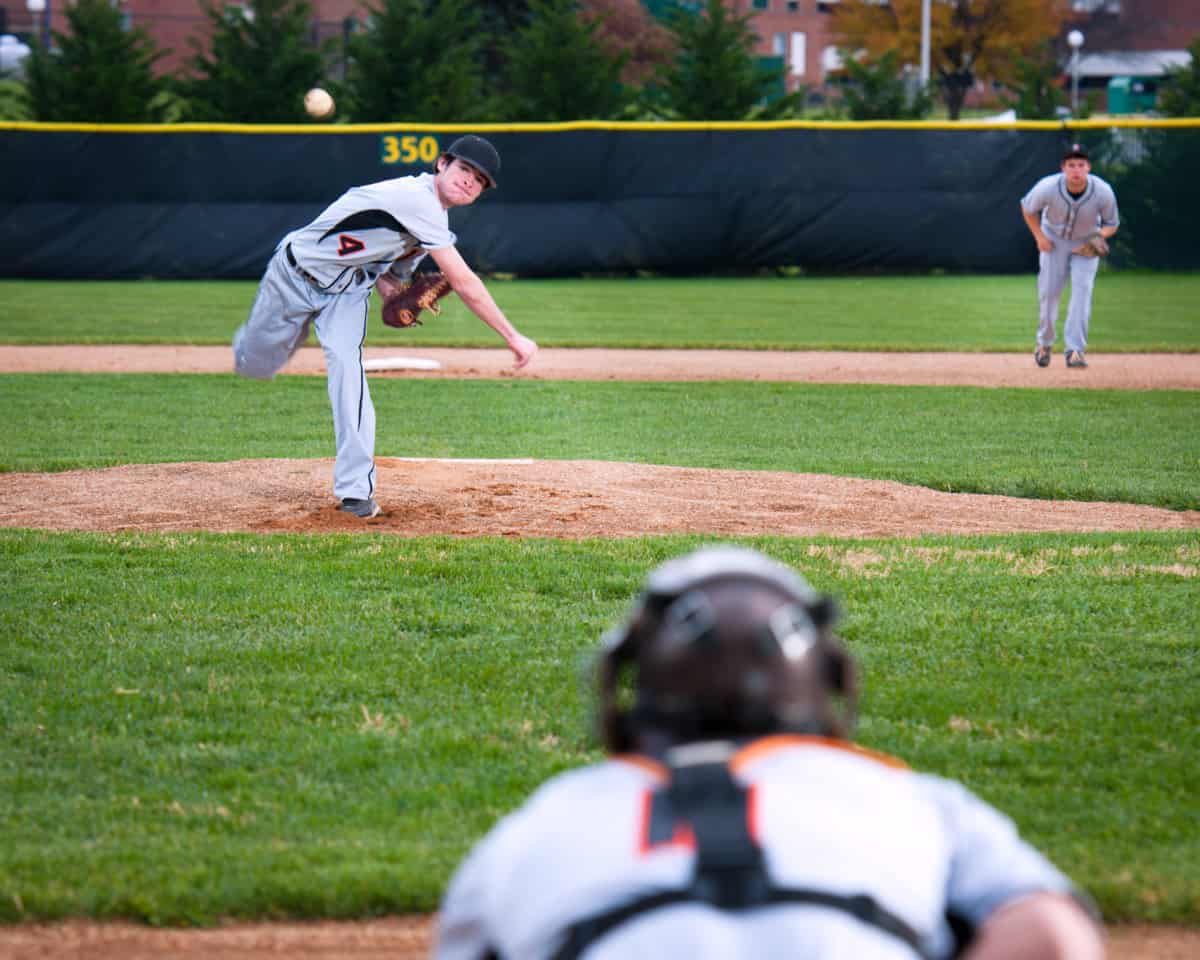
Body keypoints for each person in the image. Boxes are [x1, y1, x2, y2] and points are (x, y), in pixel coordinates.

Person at [434, 545, 1106, 960]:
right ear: (828, 685)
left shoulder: (540, 825)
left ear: (629, 690)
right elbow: (1055, 937)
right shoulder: (912, 802)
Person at [232, 135, 538, 519]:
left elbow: (389, 279)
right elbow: (465, 283)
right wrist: (513, 336)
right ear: (442, 164)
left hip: (346, 293)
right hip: (294, 276)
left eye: (479, 181)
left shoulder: (431, 228)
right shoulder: (417, 199)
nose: (469, 181)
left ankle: (355, 493)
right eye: (464, 170)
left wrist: (396, 293)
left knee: (349, 374)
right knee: (256, 366)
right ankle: (252, 346)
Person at [1020, 142, 1120, 370]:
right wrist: (1039, 237)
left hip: (1086, 243)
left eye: (1081, 164)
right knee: (1049, 294)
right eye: (1071, 164)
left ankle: (1075, 350)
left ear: (1088, 168)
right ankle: (1044, 343)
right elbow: (1027, 208)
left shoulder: (1103, 191)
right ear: (1063, 168)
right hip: (1053, 240)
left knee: (1082, 294)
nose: (1076, 169)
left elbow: (1112, 224)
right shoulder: (1048, 187)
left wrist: (1098, 238)